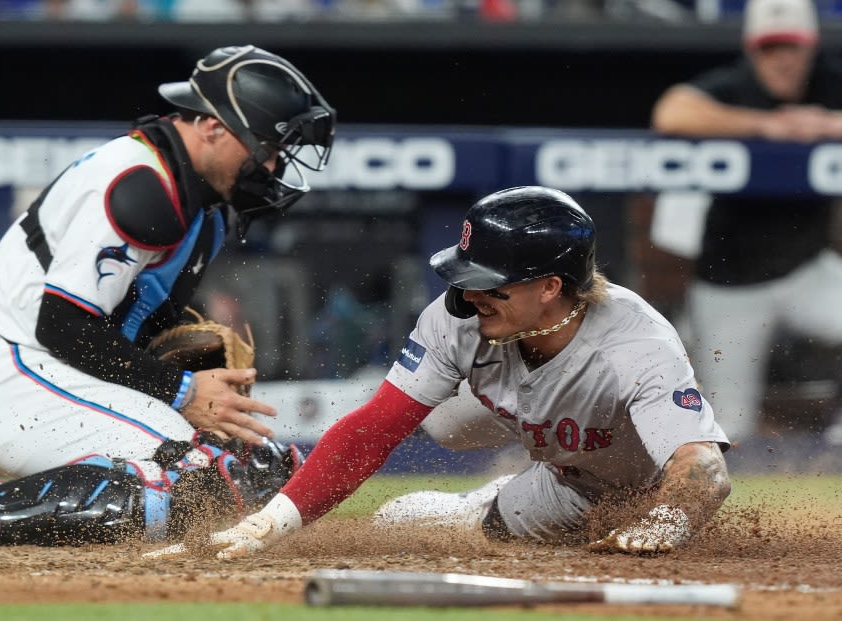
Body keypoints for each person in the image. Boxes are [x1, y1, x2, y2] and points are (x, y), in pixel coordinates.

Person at [149, 186, 732, 560]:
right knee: (415, 482)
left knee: (453, 513)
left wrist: (666, 522)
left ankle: (499, 490)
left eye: (487, 280)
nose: (467, 292)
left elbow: (704, 469)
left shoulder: (636, 344)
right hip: (564, 469)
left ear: (550, 287)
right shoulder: (459, 317)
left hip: (624, 486)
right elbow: (374, 428)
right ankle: (501, 476)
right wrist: (268, 522)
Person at [0, 45, 335, 548]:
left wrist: (192, 374)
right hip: (16, 376)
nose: (269, 165)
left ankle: (74, 486)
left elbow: (132, 325)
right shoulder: (141, 184)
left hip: (76, 379)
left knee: (264, 469)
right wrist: (183, 391)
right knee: (198, 475)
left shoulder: (210, 207)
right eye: (264, 147)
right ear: (213, 126)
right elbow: (63, 325)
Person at [650, 0, 842, 445]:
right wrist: (768, 126)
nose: (782, 59)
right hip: (730, 286)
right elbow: (671, 112)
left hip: (806, 273)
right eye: (770, 48)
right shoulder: (734, 86)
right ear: (753, 50)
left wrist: (828, 124)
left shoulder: (829, 82)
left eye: (791, 47)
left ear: (811, 47)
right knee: (726, 429)